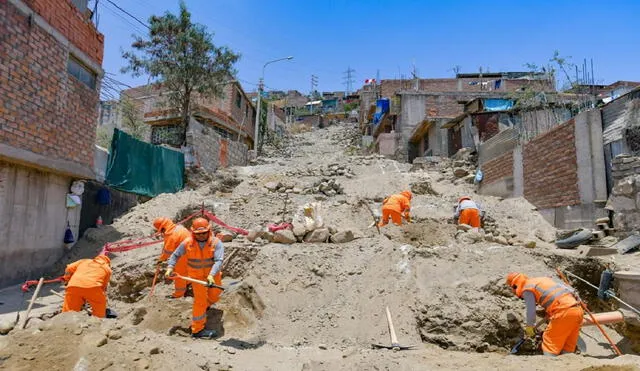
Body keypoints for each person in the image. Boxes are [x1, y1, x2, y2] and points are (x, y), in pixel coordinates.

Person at [165, 217, 224, 339]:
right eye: (198, 234)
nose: (201, 236)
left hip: (213, 276)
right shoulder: (187, 243)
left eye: (204, 233)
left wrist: (211, 275)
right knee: (200, 301)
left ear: (209, 231)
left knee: (215, 296)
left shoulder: (216, 243)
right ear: (193, 232)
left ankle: (205, 307)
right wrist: (170, 267)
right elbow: (175, 255)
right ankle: (197, 330)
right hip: (196, 278)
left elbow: (218, 261)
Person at [506, 272, 584, 356]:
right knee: (567, 346)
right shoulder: (542, 280)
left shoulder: (527, 289)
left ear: (515, 285)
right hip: (577, 310)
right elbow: (569, 291)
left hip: (563, 312)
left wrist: (529, 327)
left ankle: (550, 363)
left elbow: (531, 311)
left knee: (549, 342)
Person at [153, 217, 191, 298]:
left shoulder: (170, 235)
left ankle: (179, 294)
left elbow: (168, 251)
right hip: (191, 252)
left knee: (178, 275)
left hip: (182, 256)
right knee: (186, 270)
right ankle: (187, 283)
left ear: (163, 227)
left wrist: (161, 259)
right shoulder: (180, 228)